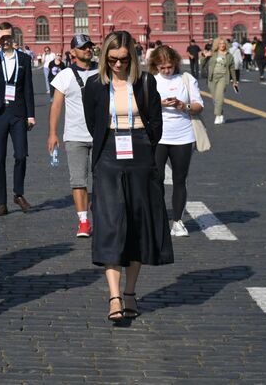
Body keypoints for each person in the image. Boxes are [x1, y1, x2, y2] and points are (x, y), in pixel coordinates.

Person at [82, 30, 172, 323]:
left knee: (136, 223)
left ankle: (130, 291)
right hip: (108, 153)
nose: (118, 65)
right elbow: (91, 121)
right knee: (110, 222)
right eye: (112, 60)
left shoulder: (145, 82)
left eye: (123, 59)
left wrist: (143, 144)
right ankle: (114, 295)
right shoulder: (95, 85)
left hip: (140, 153)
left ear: (132, 57)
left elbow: (155, 123)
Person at [0, 22, 35, 215]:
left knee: (21, 154)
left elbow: (28, 88)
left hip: (18, 113)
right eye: (2, 38)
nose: (5, 41)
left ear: (14, 37)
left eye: (8, 37)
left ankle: (18, 194)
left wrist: (31, 115)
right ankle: (1, 202)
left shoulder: (24, 59)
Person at [48, 34, 99, 238]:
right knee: (78, 180)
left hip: (101, 135)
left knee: (102, 180)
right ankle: (83, 221)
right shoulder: (65, 75)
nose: (88, 50)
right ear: (73, 52)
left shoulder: (102, 71)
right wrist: (52, 133)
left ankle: (101, 216)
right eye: (83, 47)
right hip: (75, 135)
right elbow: (56, 105)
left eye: (89, 46)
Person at [150, 45, 202, 238]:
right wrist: (159, 103)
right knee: (156, 180)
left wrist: (183, 105)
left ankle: (178, 221)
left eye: (169, 67)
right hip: (158, 137)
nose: (166, 71)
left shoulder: (186, 80)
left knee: (180, 180)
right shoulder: (150, 81)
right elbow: (141, 107)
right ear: (155, 65)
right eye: (162, 67)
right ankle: (158, 218)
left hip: (183, 136)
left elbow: (198, 106)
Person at [205, 38, 234, 123]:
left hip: (223, 77)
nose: (222, 45)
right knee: (215, 98)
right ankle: (221, 113)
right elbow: (202, 63)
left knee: (219, 96)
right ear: (217, 45)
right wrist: (204, 56)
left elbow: (232, 68)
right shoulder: (213, 54)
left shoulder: (229, 55)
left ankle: (217, 116)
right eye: (220, 43)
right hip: (212, 78)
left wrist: (235, 81)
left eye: (224, 43)